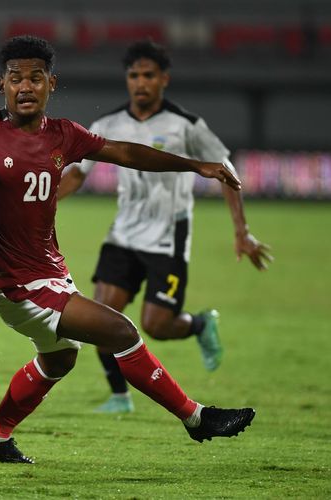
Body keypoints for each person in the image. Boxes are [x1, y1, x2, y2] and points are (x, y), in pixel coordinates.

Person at [0, 35, 255, 464]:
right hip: (15, 283)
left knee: (59, 360)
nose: (25, 87)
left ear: (51, 84)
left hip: (51, 272)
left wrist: (195, 165)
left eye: (35, 78)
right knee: (123, 332)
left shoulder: (64, 136)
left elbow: (124, 152)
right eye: (15, 78)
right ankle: (196, 418)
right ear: (1, 84)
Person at [59, 40, 273, 414]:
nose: (140, 82)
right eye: (134, 75)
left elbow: (227, 173)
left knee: (156, 325)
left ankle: (200, 325)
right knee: (98, 320)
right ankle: (120, 396)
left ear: (164, 79)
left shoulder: (185, 125)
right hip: (122, 235)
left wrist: (242, 231)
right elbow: (76, 175)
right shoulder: (107, 125)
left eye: (148, 75)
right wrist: (35, 201)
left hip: (166, 239)